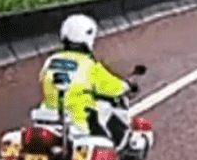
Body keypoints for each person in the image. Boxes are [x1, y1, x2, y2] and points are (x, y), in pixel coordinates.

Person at [39, 14, 135, 146]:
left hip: (47, 119)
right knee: (106, 144)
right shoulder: (89, 65)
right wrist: (127, 86)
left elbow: (43, 80)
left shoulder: (50, 61)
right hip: (78, 124)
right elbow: (113, 87)